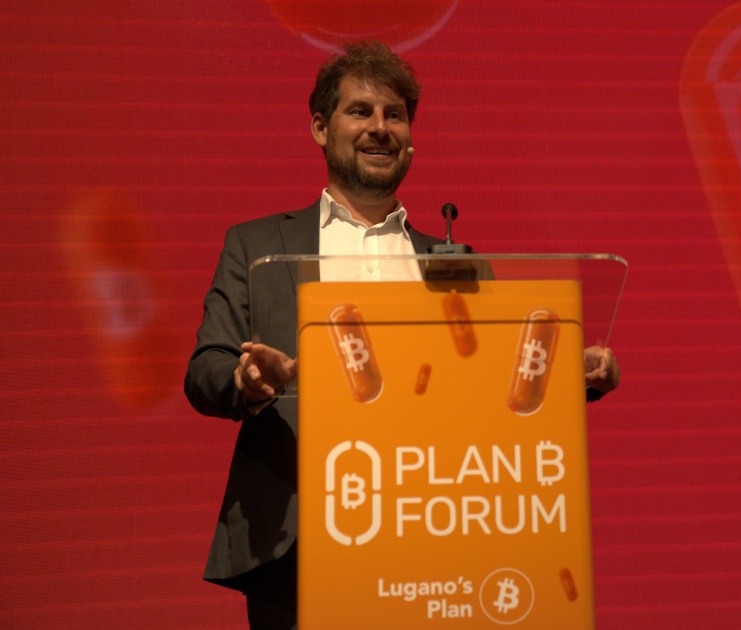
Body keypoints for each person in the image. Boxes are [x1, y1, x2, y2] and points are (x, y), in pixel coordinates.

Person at [184, 40, 620, 630]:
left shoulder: (452, 261)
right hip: (297, 537)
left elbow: (497, 385)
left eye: (395, 115)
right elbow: (206, 365)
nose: (380, 128)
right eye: (360, 111)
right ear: (320, 127)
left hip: (431, 532)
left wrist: (576, 375)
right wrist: (247, 380)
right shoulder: (258, 245)